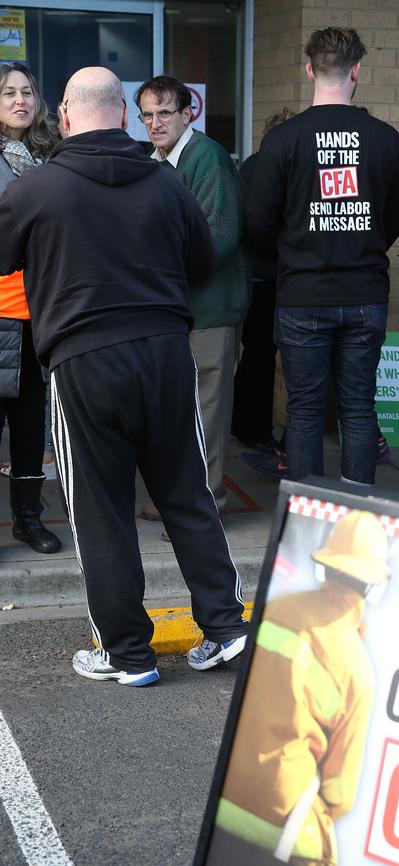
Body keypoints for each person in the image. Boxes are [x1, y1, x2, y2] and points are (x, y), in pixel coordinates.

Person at [0, 66, 248, 685]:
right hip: (165, 353)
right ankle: (224, 628)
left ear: (64, 113)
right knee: (187, 495)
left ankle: (129, 654)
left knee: (101, 509)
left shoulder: (39, 188)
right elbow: (199, 257)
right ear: (124, 115)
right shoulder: (166, 184)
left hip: (83, 362)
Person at [245, 27, 399, 487]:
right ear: (356, 71)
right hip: (364, 291)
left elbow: (257, 220)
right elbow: (396, 213)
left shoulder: (283, 140)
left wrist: (290, 255)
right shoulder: (385, 138)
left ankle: (304, 520)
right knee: (359, 408)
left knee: (304, 409)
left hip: (301, 291)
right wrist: (366, 244)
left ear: (309, 69)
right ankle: (355, 514)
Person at [212, 510, 390, 866]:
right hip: (287, 832)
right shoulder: (358, 669)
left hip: (226, 799)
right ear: (372, 586)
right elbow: (339, 793)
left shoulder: (277, 609)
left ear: (327, 565)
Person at [135, 74, 251, 515]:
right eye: (148, 115)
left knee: (207, 414)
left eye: (165, 113)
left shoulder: (209, 158)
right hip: (175, 311)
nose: (156, 123)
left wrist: (153, 274)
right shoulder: (155, 161)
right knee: (177, 416)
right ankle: (178, 501)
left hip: (211, 310)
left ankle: (205, 506)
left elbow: (217, 239)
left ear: (189, 113)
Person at [0, 62, 62, 555]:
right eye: (7, 93)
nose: (19, 100)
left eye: (26, 92)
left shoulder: (50, 158)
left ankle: (28, 518)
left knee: (29, 424)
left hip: (37, 316)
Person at [233, 107, 295, 454]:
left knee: (255, 354)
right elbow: (264, 224)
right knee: (262, 354)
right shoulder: (273, 169)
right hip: (270, 276)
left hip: (254, 275)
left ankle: (243, 423)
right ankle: (254, 429)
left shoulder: (251, 165)